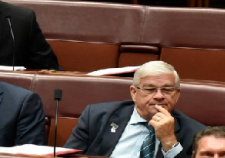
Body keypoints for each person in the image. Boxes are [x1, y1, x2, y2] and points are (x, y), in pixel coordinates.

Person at [64, 60, 206, 157]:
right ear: (134, 92)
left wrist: (169, 141)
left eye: (167, 90)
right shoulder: (97, 116)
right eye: (150, 89)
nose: (159, 96)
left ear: (177, 94)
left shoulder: (196, 134)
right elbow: (69, 156)